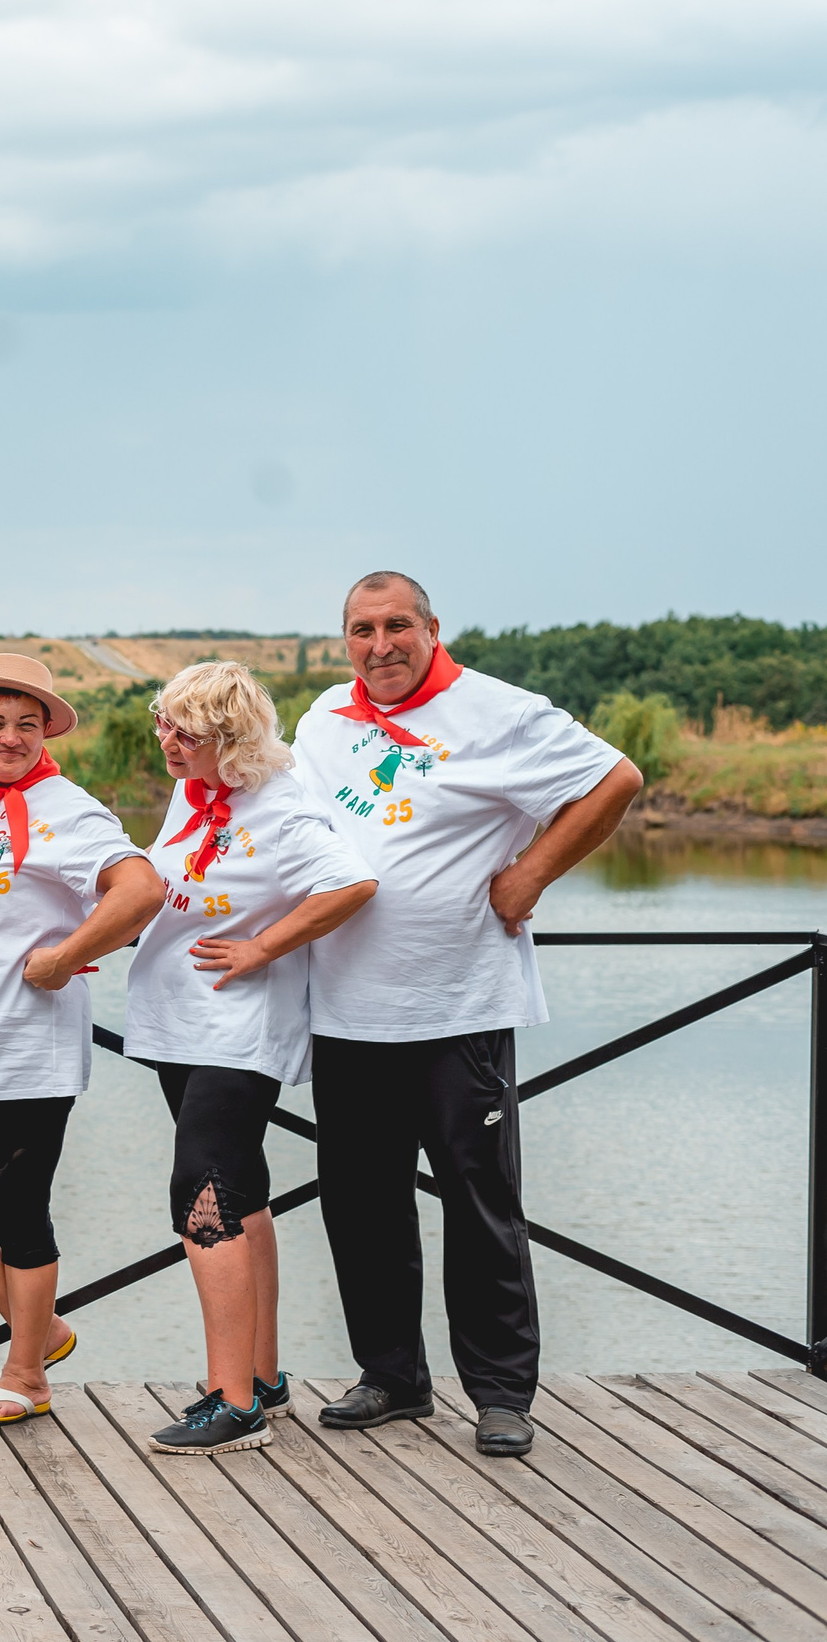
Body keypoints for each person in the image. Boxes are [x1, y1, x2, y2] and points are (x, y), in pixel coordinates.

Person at [296, 572, 638, 1458]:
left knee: (480, 1202)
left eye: (398, 625)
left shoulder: (501, 712)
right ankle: (394, 1377)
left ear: (432, 627)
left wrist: (529, 873)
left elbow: (614, 778)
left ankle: (498, 1393)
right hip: (345, 1011)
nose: (382, 645)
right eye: (362, 630)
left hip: (460, 1009)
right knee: (361, 1206)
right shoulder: (323, 720)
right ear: (345, 640)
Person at [126, 661, 377, 1455]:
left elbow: (351, 882)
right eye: (163, 722)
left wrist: (262, 946)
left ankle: (232, 1403)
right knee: (245, 1190)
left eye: (185, 730)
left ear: (230, 738)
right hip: (182, 1026)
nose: (166, 739)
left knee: (201, 1195)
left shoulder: (282, 808)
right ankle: (262, 1374)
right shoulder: (192, 792)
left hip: (238, 1033)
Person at [0, 654, 162, 1427]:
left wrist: (65, 953)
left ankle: (26, 1375)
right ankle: (41, 1326)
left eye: (26, 723)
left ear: (45, 729)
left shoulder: (70, 808)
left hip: (29, 1049)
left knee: (19, 1207)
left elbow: (143, 888)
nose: (9, 737)